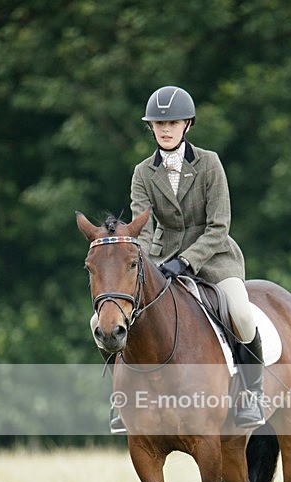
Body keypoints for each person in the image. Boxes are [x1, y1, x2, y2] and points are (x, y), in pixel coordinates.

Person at [94, 85, 264, 431]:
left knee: (242, 315)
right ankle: (122, 398)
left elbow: (219, 226)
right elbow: (141, 225)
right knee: (102, 322)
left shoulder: (209, 163)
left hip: (214, 257)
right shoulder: (143, 172)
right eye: (159, 124)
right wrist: (136, 253)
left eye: (173, 122)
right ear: (151, 128)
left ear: (187, 124)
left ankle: (250, 394)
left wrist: (187, 261)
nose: (166, 129)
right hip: (160, 258)